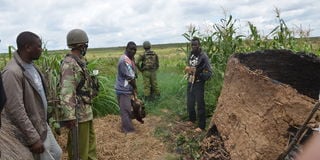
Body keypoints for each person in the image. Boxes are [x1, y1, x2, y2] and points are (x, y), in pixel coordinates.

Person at [1, 31, 62, 159]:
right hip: (32, 129)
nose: (41, 49)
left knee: (57, 153)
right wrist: (33, 138)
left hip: (42, 125)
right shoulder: (12, 72)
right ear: (28, 47)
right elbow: (15, 109)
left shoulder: (32, 67)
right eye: (38, 46)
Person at [59, 28, 97, 160]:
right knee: (80, 151)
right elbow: (66, 92)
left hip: (86, 111)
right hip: (79, 115)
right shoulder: (69, 64)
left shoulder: (79, 61)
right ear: (81, 46)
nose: (86, 47)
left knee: (90, 146)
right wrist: (70, 117)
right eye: (85, 45)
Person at [185, 37, 212, 132]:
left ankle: (201, 126)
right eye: (192, 45)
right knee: (190, 102)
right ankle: (192, 119)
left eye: (195, 45)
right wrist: (188, 69)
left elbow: (209, 73)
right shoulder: (191, 55)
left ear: (199, 45)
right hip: (190, 81)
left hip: (199, 83)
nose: (193, 47)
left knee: (200, 104)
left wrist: (198, 74)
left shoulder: (203, 56)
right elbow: (190, 66)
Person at [115, 41, 138, 133]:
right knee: (126, 110)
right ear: (126, 49)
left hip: (127, 88)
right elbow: (130, 77)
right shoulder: (124, 60)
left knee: (128, 108)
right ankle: (128, 130)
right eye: (131, 49)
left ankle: (128, 126)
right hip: (123, 89)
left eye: (135, 50)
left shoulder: (130, 58)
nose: (133, 51)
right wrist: (135, 88)